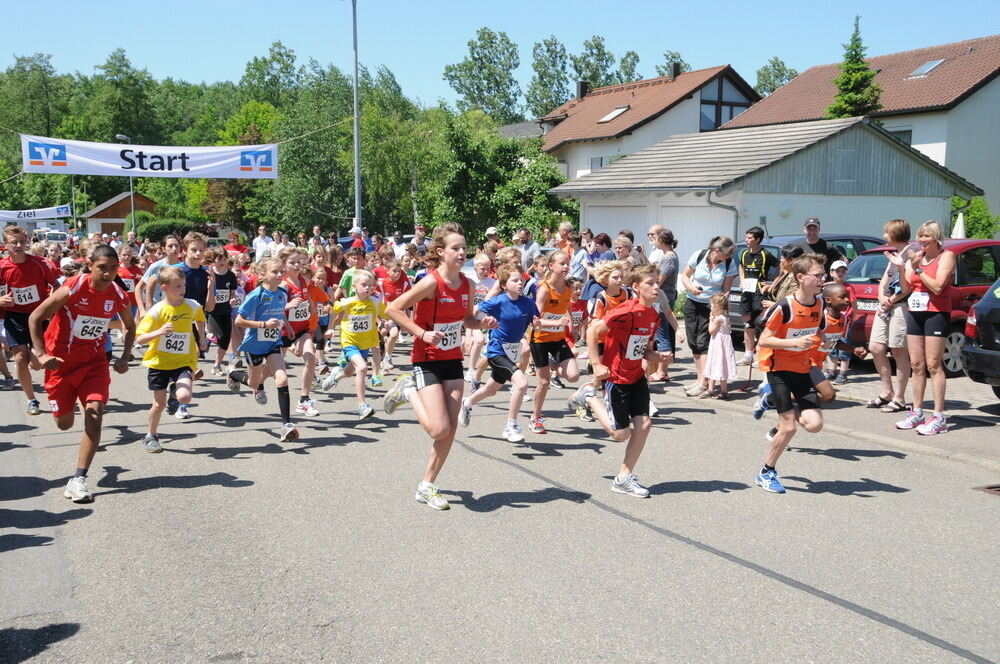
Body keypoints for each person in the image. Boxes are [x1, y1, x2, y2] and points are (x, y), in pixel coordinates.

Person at [381, 223, 498, 511]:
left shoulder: (468, 285)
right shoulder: (431, 283)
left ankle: (427, 485)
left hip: (452, 360)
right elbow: (392, 308)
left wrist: (480, 322)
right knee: (438, 429)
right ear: (440, 252)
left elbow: (467, 318)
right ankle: (408, 390)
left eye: (464, 247)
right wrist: (421, 333)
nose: (462, 252)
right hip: (427, 359)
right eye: (455, 248)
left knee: (451, 428)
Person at [27, 245, 134, 502]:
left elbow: (130, 326)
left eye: (113, 268)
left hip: (94, 363)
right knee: (64, 424)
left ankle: (78, 479)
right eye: (102, 268)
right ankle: (68, 402)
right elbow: (35, 317)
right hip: (60, 364)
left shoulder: (118, 294)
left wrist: (124, 356)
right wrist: (41, 354)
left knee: (95, 414)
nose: (108, 274)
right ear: (90, 264)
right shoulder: (73, 287)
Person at [567, 264, 672, 498]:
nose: (656, 287)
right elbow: (593, 332)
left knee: (644, 425)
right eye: (650, 283)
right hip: (616, 378)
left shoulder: (654, 315)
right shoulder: (624, 311)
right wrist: (596, 363)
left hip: (636, 377)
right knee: (620, 435)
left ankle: (623, 478)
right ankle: (590, 397)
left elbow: (645, 351)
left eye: (657, 282)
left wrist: (659, 357)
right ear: (636, 287)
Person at [754, 253, 828, 494]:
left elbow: (817, 330)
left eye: (823, 275)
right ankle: (766, 472)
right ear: (801, 277)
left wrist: (823, 340)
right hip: (779, 370)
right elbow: (764, 340)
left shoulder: (819, 303)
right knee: (789, 428)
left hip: (802, 369)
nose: (822, 279)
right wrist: (793, 344)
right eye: (818, 275)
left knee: (814, 424)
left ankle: (770, 400)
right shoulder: (784, 306)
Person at [890, 220, 955, 435]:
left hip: (936, 313)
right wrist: (901, 266)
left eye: (927, 236)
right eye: (920, 236)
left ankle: (939, 417)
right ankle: (917, 412)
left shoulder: (946, 256)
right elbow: (907, 287)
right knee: (916, 364)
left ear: (936, 238)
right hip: (916, 312)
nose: (923, 240)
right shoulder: (917, 257)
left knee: (934, 365)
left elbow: (937, 286)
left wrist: (917, 267)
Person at [228, 258, 300, 443]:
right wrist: (263, 324)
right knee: (253, 383)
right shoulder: (256, 295)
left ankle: (286, 425)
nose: (279, 275)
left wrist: (288, 327)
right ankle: (234, 375)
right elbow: (239, 321)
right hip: (254, 344)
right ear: (262, 275)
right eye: (274, 272)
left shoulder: (283, 293)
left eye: (280, 271)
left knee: (282, 378)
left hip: (272, 343)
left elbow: (280, 311)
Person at [135, 267, 207, 449]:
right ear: (165, 288)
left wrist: (202, 339)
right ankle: (151, 435)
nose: (182, 290)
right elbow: (140, 338)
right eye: (177, 286)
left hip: (184, 360)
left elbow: (200, 318)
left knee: (185, 396)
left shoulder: (192, 305)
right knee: (158, 405)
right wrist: (159, 331)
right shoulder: (157, 311)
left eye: (183, 285)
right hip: (159, 363)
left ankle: (175, 394)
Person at [0, 225, 61, 414]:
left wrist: (52, 306)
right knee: (19, 358)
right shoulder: (2, 267)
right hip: (14, 318)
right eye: (14, 242)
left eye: (22, 242)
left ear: (27, 242)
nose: (18, 245)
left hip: (39, 317)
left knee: (36, 363)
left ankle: (55, 390)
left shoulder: (40, 264)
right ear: (5, 244)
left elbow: (56, 286)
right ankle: (32, 400)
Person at [527, 250, 580, 433]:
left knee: (573, 376)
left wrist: (571, 323)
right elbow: (535, 321)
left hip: (557, 338)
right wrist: (556, 322)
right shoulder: (544, 289)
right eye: (562, 264)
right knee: (544, 382)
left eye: (567, 263)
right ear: (551, 266)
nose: (566, 267)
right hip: (540, 339)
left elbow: (566, 307)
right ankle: (535, 417)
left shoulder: (568, 287)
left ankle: (549, 364)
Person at [322, 269, 386, 419]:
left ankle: (334, 378)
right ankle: (362, 405)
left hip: (364, 344)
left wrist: (387, 323)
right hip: (349, 341)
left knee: (349, 372)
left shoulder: (376, 303)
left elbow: (388, 314)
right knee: (362, 368)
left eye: (371, 285)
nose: (368, 288)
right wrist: (331, 328)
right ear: (354, 286)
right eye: (364, 285)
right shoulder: (347, 302)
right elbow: (334, 311)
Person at [680, 236, 738, 397]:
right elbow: (685, 276)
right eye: (727, 253)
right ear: (717, 250)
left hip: (711, 307)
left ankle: (703, 383)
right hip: (692, 303)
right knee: (693, 343)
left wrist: (719, 309)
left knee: (703, 343)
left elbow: (726, 290)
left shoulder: (728, 263)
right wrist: (691, 288)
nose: (729, 257)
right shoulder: (699, 255)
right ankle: (700, 379)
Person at [867, 219, 913, 413]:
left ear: (895, 234)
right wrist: (881, 299)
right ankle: (886, 392)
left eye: (886, 232)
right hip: (885, 307)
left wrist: (891, 300)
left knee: (898, 349)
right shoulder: (893, 254)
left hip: (901, 307)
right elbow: (884, 280)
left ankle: (900, 398)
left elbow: (907, 285)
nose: (884, 235)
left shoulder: (909, 255)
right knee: (875, 347)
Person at [279, 248, 320, 417]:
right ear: (283, 265)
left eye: (299, 262)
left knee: (310, 358)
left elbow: (306, 296)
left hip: (302, 328)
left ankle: (304, 400)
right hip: (284, 330)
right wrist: (287, 307)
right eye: (292, 263)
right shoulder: (283, 285)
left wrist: (311, 306)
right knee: (269, 370)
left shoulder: (303, 280)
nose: (297, 265)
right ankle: (253, 383)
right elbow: (275, 308)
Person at [737, 226, 777, 367]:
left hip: (759, 292)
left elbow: (781, 267)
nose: (746, 240)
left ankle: (761, 353)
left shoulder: (765, 254)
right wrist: (742, 280)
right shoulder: (744, 253)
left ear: (757, 239)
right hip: (746, 291)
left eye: (749, 238)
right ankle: (748, 355)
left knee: (759, 322)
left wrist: (773, 284)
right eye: (746, 237)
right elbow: (741, 267)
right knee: (747, 324)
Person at [207, 249, 240, 376]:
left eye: (224, 258)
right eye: (219, 258)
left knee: (225, 340)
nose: (222, 261)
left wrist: (232, 299)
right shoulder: (209, 273)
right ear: (214, 259)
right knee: (218, 336)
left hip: (225, 310)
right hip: (211, 311)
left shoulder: (230, 275)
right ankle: (207, 337)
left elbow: (232, 293)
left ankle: (217, 365)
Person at [137, 234, 182, 317]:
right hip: (157, 311)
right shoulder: (156, 266)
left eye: (176, 246)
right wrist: (141, 309)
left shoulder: (183, 267)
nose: (174, 249)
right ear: (164, 249)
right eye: (170, 246)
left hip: (177, 311)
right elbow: (139, 288)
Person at [704, 293, 736, 399]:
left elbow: (711, 331)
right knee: (716, 364)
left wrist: (711, 319)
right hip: (720, 344)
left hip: (719, 345)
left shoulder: (719, 319)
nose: (711, 307)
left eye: (712, 305)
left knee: (719, 365)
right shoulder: (725, 316)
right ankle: (711, 388)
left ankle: (723, 391)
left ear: (718, 307)